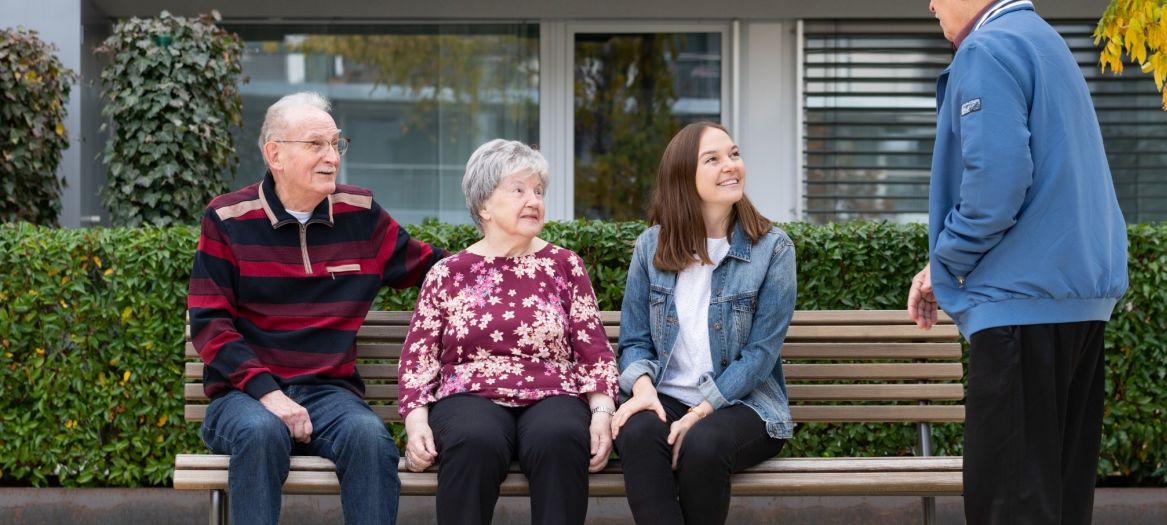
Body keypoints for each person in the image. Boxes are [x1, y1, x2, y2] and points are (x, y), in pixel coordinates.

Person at [909, 0, 1131, 523]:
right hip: (1075, 304)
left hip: (1019, 310)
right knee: (1059, 503)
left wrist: (948, 260)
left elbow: (995, 188)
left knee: (1008, 507)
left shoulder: (987, 48)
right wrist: (940, 268)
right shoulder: (1044, 41)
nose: (932, 4)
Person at [188, 91, 447, 525]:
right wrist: (268, 394)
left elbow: (435, 269)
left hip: (330, 394)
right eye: (316, 144)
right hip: (244, 397)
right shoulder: (228, 219)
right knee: (260, 432)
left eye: (336, 144)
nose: (332, 156)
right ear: (275, 154)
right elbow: (211, 324)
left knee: (370, 439)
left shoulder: (359, 213)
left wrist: (511, 261)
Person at [396, 139, 618, 525]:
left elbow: (593, 351)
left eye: (538, 191)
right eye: (518, 190)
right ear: (484, 204)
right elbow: (419, 359)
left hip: (553, 391)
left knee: (561, 438)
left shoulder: (564, 265)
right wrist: (416, 423)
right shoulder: (449, 273)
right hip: (468, 392)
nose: (533, 200)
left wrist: (601, 413)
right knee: (473, 441)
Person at [610, 122, 796, 525]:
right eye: (712, 159)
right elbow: (635, 341)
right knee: (638, 434)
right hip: (666, 395)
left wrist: (697, 414)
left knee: (703, 444)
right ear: (682, 178)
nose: (730, 166)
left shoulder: (772, 249)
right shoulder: (651, 246)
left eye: (733, 153)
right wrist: (642, 393)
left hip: (744, 405)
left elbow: (760, 356)